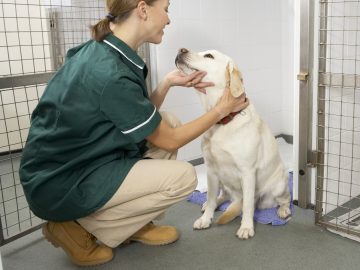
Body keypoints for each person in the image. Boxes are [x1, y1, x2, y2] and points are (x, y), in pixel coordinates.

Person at [18, 0, 249, 266]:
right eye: (166, 9)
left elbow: (135, 116)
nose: (168, 19)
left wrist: (166, 83)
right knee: (184, 177)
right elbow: (170, 140)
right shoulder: (110, 72)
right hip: (61, 181)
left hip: (81, 160)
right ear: (143, 9)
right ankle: (74, 229)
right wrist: (221, 110)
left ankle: (131, 224)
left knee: (168, 120)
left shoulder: (106, 50)